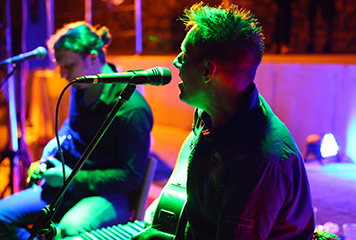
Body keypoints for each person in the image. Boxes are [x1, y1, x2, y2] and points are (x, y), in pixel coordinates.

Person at [132, 2, 315, 240]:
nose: (176, 62)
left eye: (185, 55)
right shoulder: (210, 114)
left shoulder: (258, 161)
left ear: (208, 71)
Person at [0, 21, 153, 239]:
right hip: (68, 183)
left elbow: (130, 176)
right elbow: (71, 128)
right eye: (60, 66)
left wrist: (70, 180)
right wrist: (50, 154)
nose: (63, 74)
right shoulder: (81, 87)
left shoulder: (132, 109)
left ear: (93, 58)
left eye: (68, 66)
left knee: (68, 230)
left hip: (109, 195)